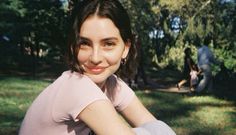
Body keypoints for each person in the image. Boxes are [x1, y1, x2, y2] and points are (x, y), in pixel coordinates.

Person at [19, 0, 175, 135]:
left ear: (125, 48)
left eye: (108, 44)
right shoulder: (77, 87)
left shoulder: (112, 84)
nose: (95, 58)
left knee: (158, 128)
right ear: (74, 46)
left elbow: (152, 125)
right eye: (84, 44)